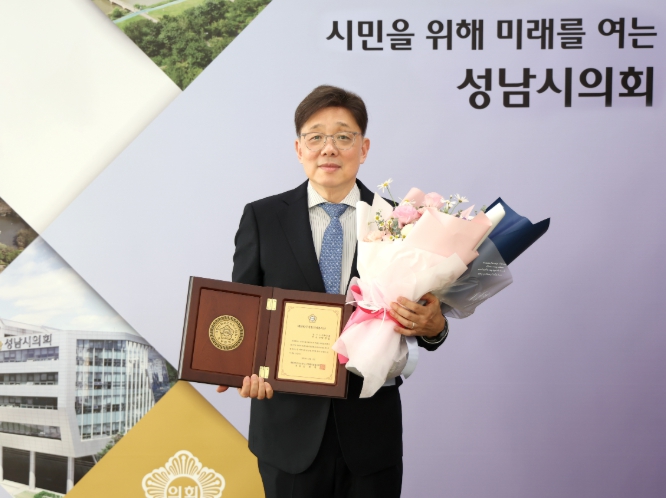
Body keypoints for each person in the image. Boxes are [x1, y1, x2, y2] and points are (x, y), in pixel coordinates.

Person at [217, 85, 449, 498]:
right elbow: (245, 312)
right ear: (299, 148)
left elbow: (427, 319)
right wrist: (240, 366)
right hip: (287, 433)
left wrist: (435, 327)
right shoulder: (263, 218)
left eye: (343, 136)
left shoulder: (403, 222)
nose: (329, 148)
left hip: (370, 432)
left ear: (364, 148)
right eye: (316, 137)